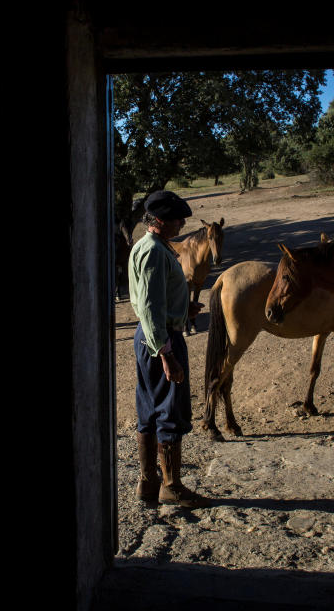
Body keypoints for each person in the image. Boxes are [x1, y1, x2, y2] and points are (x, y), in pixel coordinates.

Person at [128, 190, 210, 508]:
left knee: (149, 408)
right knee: (168, 409)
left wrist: (182, 310)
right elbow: (148, 306)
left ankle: (148, 482)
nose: (181, 224)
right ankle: (171, 486)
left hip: (153, 334)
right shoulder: (153, 251)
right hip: (160, 339)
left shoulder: (152, 247)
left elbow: (156, 299)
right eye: (177, 219)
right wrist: (166, 353)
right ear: (160, 220)